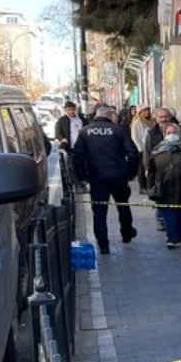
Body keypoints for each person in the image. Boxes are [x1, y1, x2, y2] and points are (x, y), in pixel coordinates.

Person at [72, 105, 139, 254]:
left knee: (99, 212)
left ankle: (103, 245)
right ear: (111, 116)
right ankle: (127, 233)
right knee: (123, 206)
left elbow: (77, 157)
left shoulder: (84, 132)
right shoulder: (119, 130)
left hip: (97, 178)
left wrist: (82, 178)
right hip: (118, 177)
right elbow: (133, 154)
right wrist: (130, 173)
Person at [147, 123, 181, 248]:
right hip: (165, 187)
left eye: (174, 133)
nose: (171, 135)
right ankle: (172, 237)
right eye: (168, 133)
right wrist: (150, 187)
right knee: (169, 213)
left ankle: (178, 236)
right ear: (164, 135)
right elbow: (150, 170)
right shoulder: (157, 150)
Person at [130, 107, 153, 192]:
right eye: (145, 110)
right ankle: (142, 187)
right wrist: (140, 148)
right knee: (142, 167)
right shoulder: (137, 122)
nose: (147, 112)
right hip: (142, 148)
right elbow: (135, 136)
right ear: (141, 112)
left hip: (149, 147)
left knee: (147, 166)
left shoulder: (148, 122)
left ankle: (148, 185)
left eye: (148, 110)